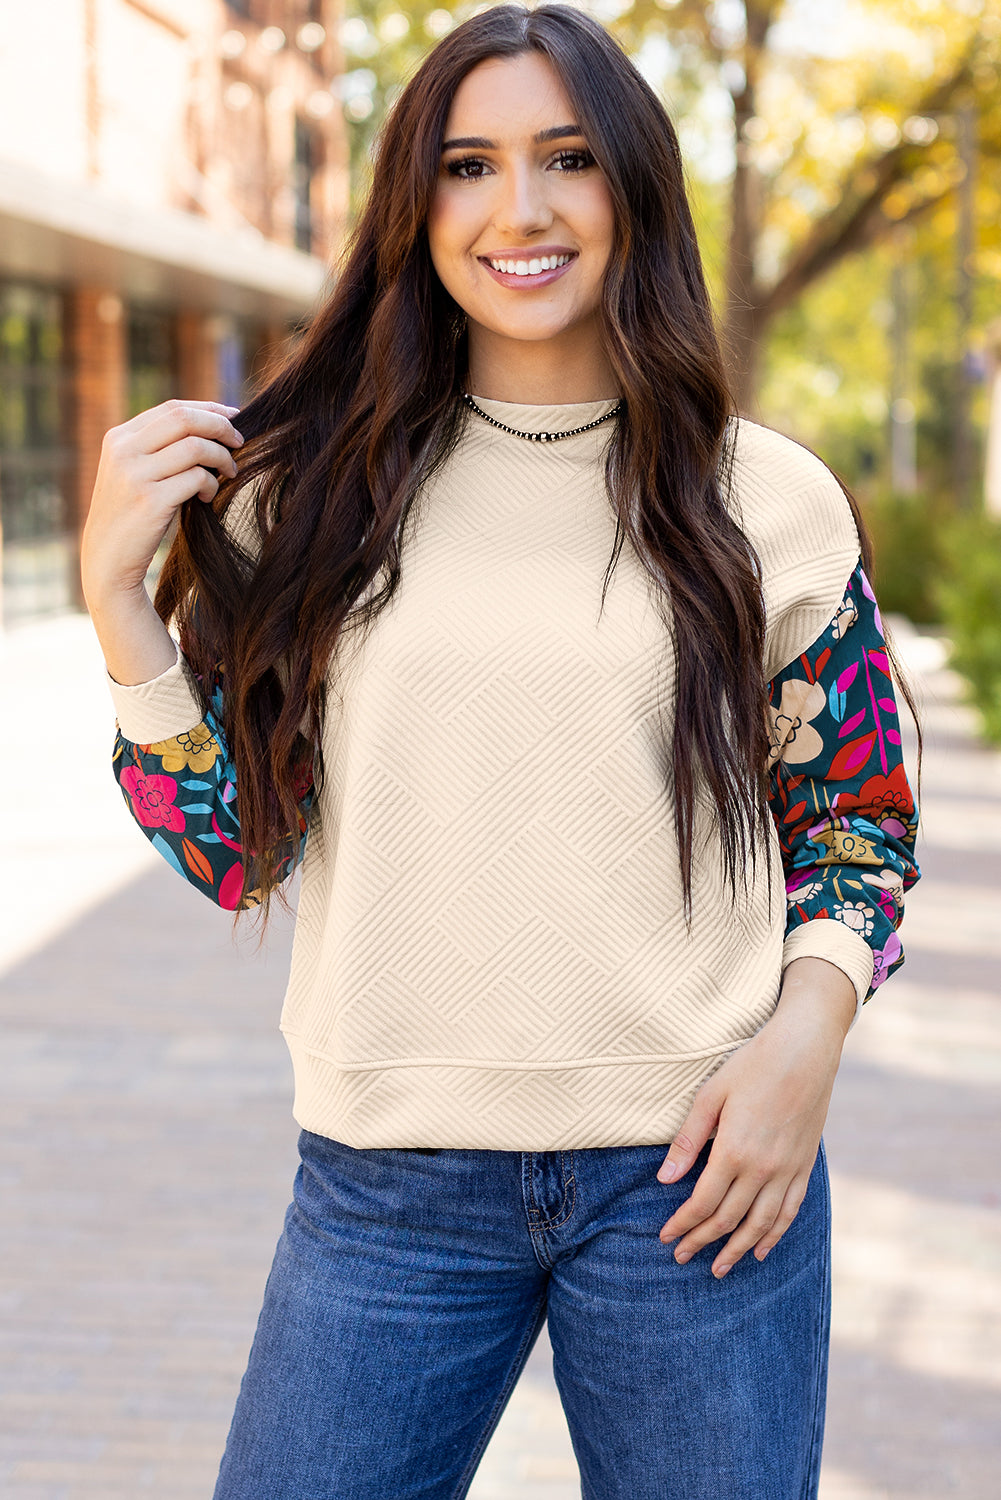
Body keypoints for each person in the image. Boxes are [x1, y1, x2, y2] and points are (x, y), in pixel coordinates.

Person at [81, 6, 920, 1497]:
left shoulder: (766, 500)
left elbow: (856, 821)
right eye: (467, 165)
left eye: (567, 159)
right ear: (416, 203)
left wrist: (806, 1041)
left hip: (697, 1178)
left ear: (632, 189)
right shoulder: (304, 502)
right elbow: (234, 855)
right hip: (385, 1188)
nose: (517, 210)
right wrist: (116, 609)